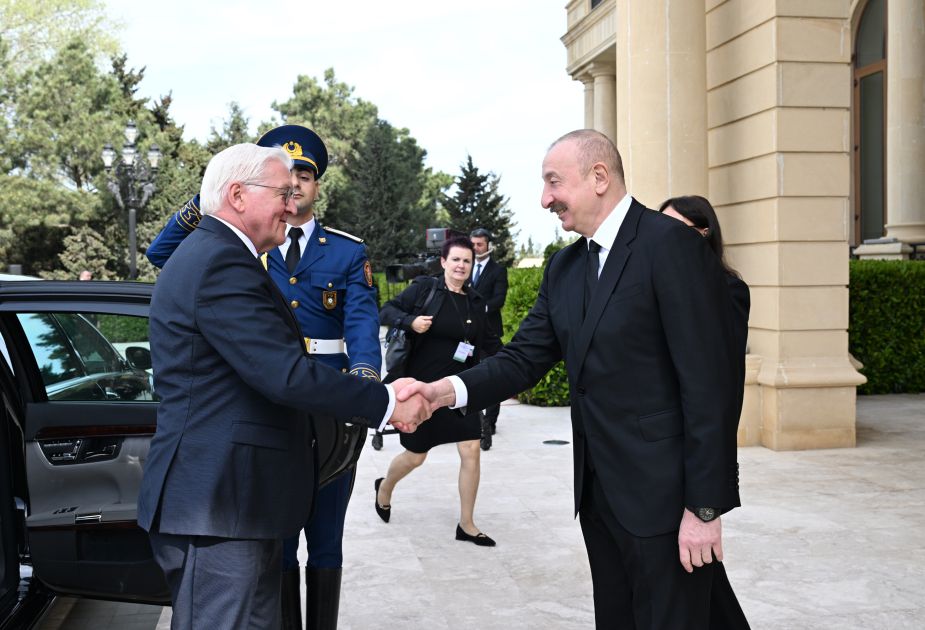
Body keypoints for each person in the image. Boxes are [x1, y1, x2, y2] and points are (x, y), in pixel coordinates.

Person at [401, 129, 741, 629]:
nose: (545, 199)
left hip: (666, 500)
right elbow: (521, 359)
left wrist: (705, 509)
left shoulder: (671, 245)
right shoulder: (564, 267)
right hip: (598, 496)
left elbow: (710, 385)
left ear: (599, 177)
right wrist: (440, 392)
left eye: (553, 182)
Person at [137, 143, 430, 630]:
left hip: (237, 502)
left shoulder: (221, 253)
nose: (291, 207)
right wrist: (384, 401)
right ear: (237, 195)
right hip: (220, 506)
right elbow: (284, 373)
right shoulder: (221, 261)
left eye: (296, 193)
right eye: (281, 193)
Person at [659, 195, 751, 630]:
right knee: (697, 581)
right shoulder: (658, 287)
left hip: (692, 453)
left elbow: (722, 388)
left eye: (678, 231)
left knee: (698, 574)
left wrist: (708, 497)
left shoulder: (727, 290)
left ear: (704, 234)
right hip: (653, 457)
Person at [376, 236, 502, 546]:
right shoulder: (425, 289)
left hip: (461, 388)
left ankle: (467, 524)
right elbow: (385, 310)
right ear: (444, 262)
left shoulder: (476, 301)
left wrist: (510, 367)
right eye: (455, 259)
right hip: (422, 388)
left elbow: (488, 342)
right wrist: (410, 321)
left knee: (471, 448)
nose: (461, 265)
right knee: (416, 456)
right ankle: (384, 488)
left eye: (467, 261)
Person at [468, 227, 508, 450]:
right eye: (472, 244)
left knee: (492, 377)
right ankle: (470, 418)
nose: (475, 248)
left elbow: (498, 300)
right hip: (466, 335)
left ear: (488, 245)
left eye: (479, 244)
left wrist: (477, 309)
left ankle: (490, 422)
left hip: (489, 333)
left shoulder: (498, 270)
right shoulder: (464, 266)